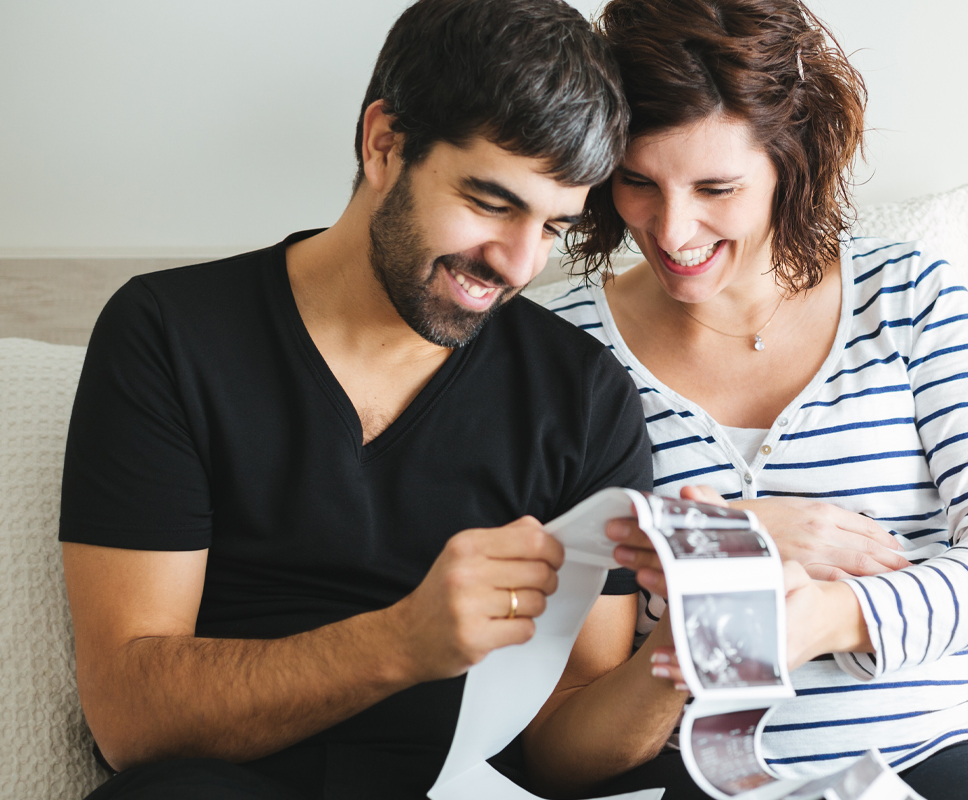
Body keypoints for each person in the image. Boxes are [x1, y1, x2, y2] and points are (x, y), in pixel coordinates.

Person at [57, 1, 689, 798]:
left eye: (554, 227)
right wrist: (400, 643)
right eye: (492, 203)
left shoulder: (585, 397)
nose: (518, 263)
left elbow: (566, 753)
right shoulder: (169, 336)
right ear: (385, 143)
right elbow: (130, 719)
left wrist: (688, 656)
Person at [555, 0, 968, 797]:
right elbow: (570, 708)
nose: (671, 229)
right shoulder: (564, 350)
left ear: (788, 160)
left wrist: (825, 618)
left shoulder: (909, 296)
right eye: (637, 182)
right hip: (703, 767)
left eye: (717, 186)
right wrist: (731, 540)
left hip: (944, 743)